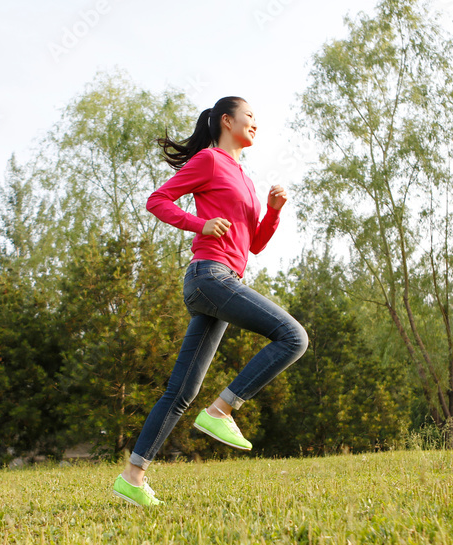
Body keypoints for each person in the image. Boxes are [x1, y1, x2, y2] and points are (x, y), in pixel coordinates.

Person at [111, 96, 308, 508]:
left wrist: (272, 212)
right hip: (209, 275)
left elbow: (253, 243)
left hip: (223, 279)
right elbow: (156, 201)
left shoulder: (243, 176)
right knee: (292, 336)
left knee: (182, 390)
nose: (256, 122)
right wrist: (200, 223)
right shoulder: (209, 161)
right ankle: (222, 410)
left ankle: (133, 476)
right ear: (226, 120)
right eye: (250, 115)